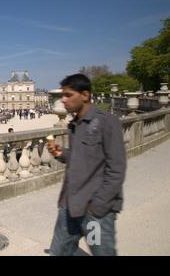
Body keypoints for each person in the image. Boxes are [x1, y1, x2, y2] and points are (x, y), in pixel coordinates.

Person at [47, 74, 126, 256]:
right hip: (69, 205)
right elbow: (81, 159)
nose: (64, 100)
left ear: (85, 95)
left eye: (68, 95)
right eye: (63, 95)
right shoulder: (74, 124)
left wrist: (97, 206)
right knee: (58, 252)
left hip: (93, 211)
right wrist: (62, 154)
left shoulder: (106, 121)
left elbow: (117, 169)